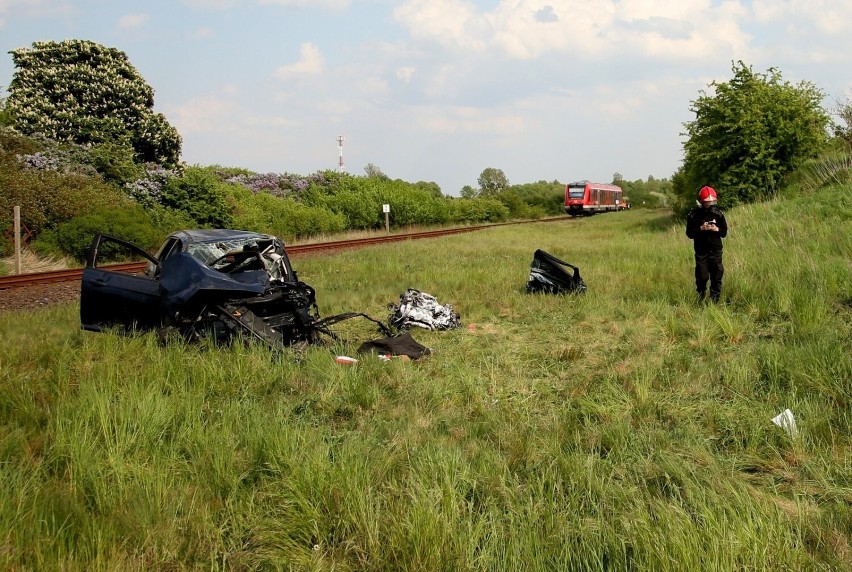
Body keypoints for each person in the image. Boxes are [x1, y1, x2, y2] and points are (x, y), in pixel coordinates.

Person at [685, 186, 728, 302]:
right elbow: (689, 234)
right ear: (701, 201)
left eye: (711, 201)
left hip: (716, 250)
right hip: (701, 251)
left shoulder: (718, 214)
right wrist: (701, 228)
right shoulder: (693, 215)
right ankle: (701, 295)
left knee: (716, 276)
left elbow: (724, 232)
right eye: (707, 202)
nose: (709, 204)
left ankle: (714, 301)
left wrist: (717, 229)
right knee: (702, 276)